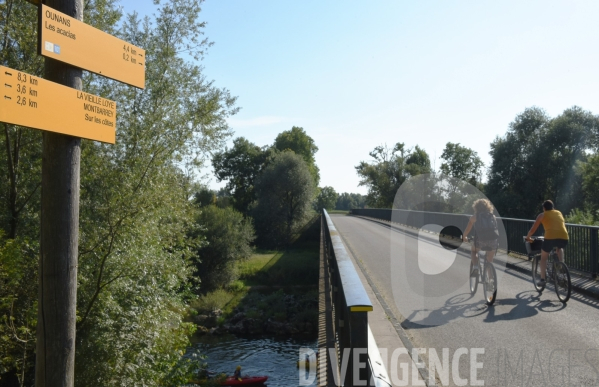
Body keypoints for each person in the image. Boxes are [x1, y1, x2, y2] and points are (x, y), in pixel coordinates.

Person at [526, 200, 569, 287]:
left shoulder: (542, 215)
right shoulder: (558, 212)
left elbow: (533, 229)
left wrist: (528, 237)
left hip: (550, 238)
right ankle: (561, 265)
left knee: (544, 258)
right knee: (559, 248)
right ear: (553, 207)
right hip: (564, 237)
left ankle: (542, 280)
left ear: (544, 208)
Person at [462, 199, 499, 275]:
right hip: (493, 241)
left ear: (476, 207)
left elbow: (468, 229)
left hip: (481, 241)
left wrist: (464, 236)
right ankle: (491, 281)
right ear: (488, 207)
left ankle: (475, 266)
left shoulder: (474, 217)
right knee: (490, 261)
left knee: (473, 251)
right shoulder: (493, 216)